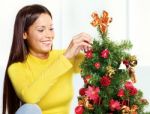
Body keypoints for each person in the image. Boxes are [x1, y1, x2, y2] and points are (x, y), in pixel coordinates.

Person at [2, 4, 92, 114]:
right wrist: (65, 58)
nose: (49, 35)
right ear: (24, 34)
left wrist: (92, 50)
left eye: (51, 29)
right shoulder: (16, 68)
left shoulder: (64, 56)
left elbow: (99, 66)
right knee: (29, 109)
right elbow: (30, 97)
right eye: (41, 30)